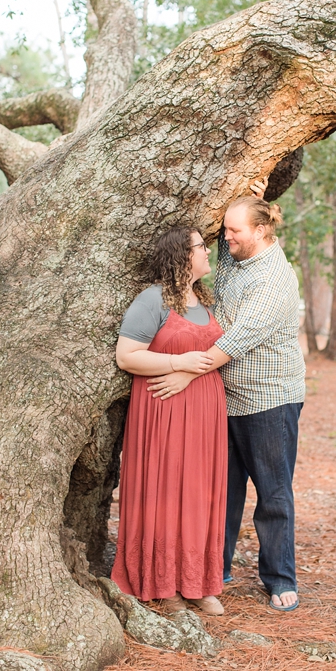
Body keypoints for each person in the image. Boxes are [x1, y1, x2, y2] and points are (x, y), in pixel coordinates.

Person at [148, 186, 306, 611]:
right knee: (224, 490)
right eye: (226, 231)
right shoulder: (238, 250)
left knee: (272, 492)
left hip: (268, 399)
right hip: (224, 396)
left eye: (234, 231)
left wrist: (179, 373)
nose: (226, 237)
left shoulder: (274, 281)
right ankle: (214, 569)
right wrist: (257, 180)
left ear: (260, 231)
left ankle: (279, 577)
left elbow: (232, 343)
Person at [113, 227, 227, 616]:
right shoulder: (153, 300)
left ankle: (197, 581)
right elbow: (127, 356)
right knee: (165, 492)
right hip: (163, 412)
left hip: (205, 416)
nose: (208, 251)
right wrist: (177, 363)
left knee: (199, 494)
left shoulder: (205, 298)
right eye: (201, 246)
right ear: (181, 255)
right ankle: (163, 583)